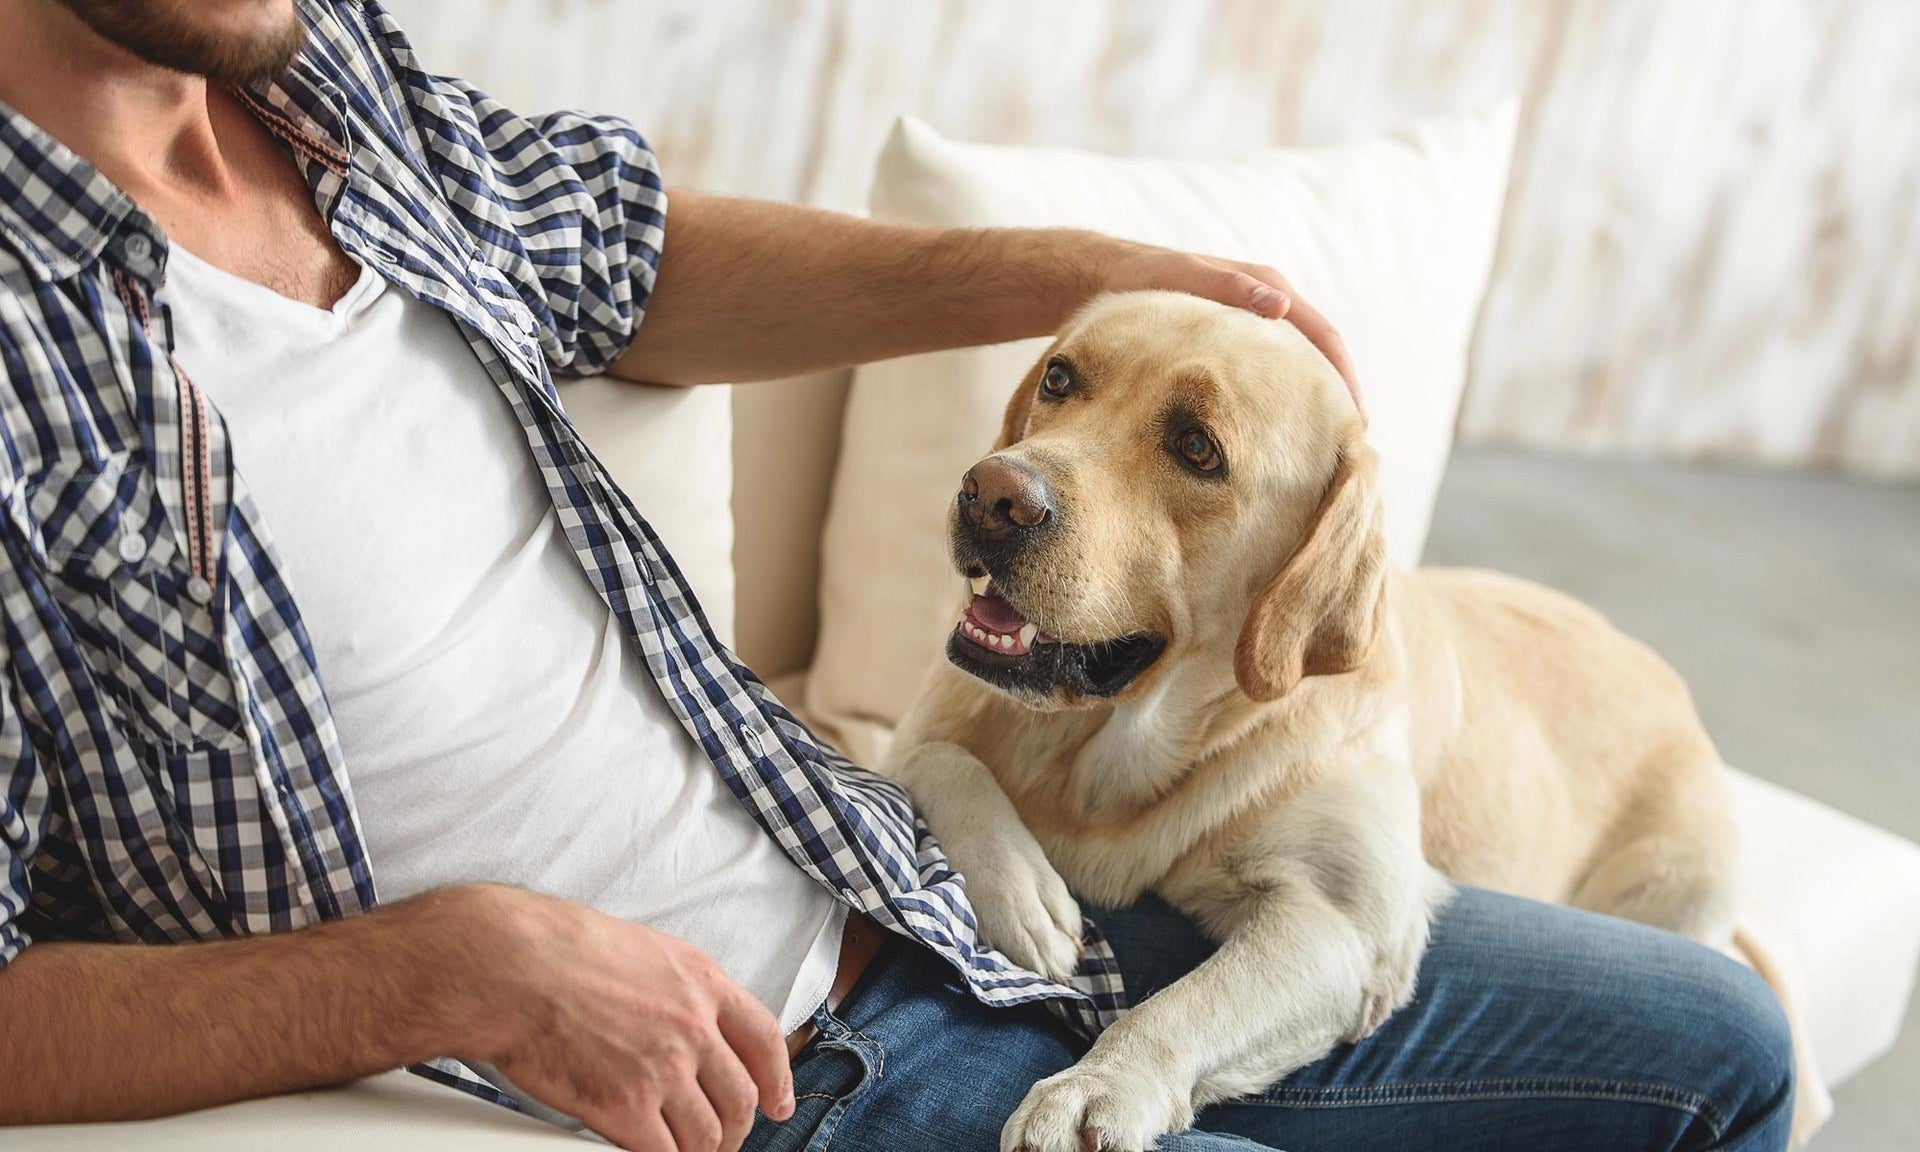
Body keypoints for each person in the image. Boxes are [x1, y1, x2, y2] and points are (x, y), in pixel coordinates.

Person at [0, 2, 1793, 1150]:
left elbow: (637, 256)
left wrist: (1094, 282)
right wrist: (443, 972)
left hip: (918, 876)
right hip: (791, 1083)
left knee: (1725, 1042)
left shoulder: (324, 85)